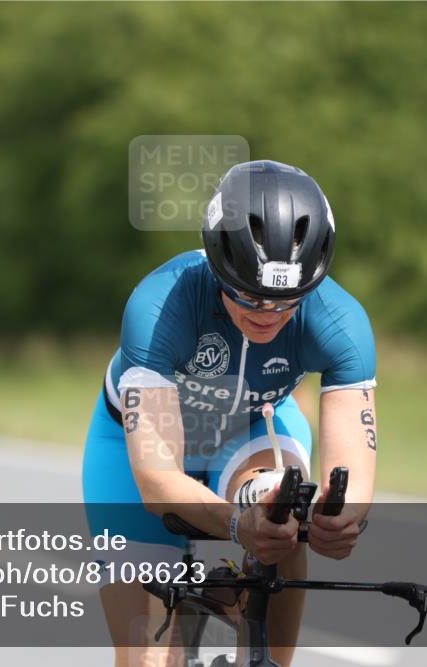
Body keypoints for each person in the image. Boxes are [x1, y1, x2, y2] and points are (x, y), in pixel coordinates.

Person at [82, 160, 377, 667]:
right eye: (249, 296)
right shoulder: (159, 305)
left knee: (282, 503)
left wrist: (341, 520)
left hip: (248, 431)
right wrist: (238, 525)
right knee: (145, 656)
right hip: (137, 450)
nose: (267, 314)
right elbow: (157, 481)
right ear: (218, 265)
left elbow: (351, 470)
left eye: (286, 302)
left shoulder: (341, 322)